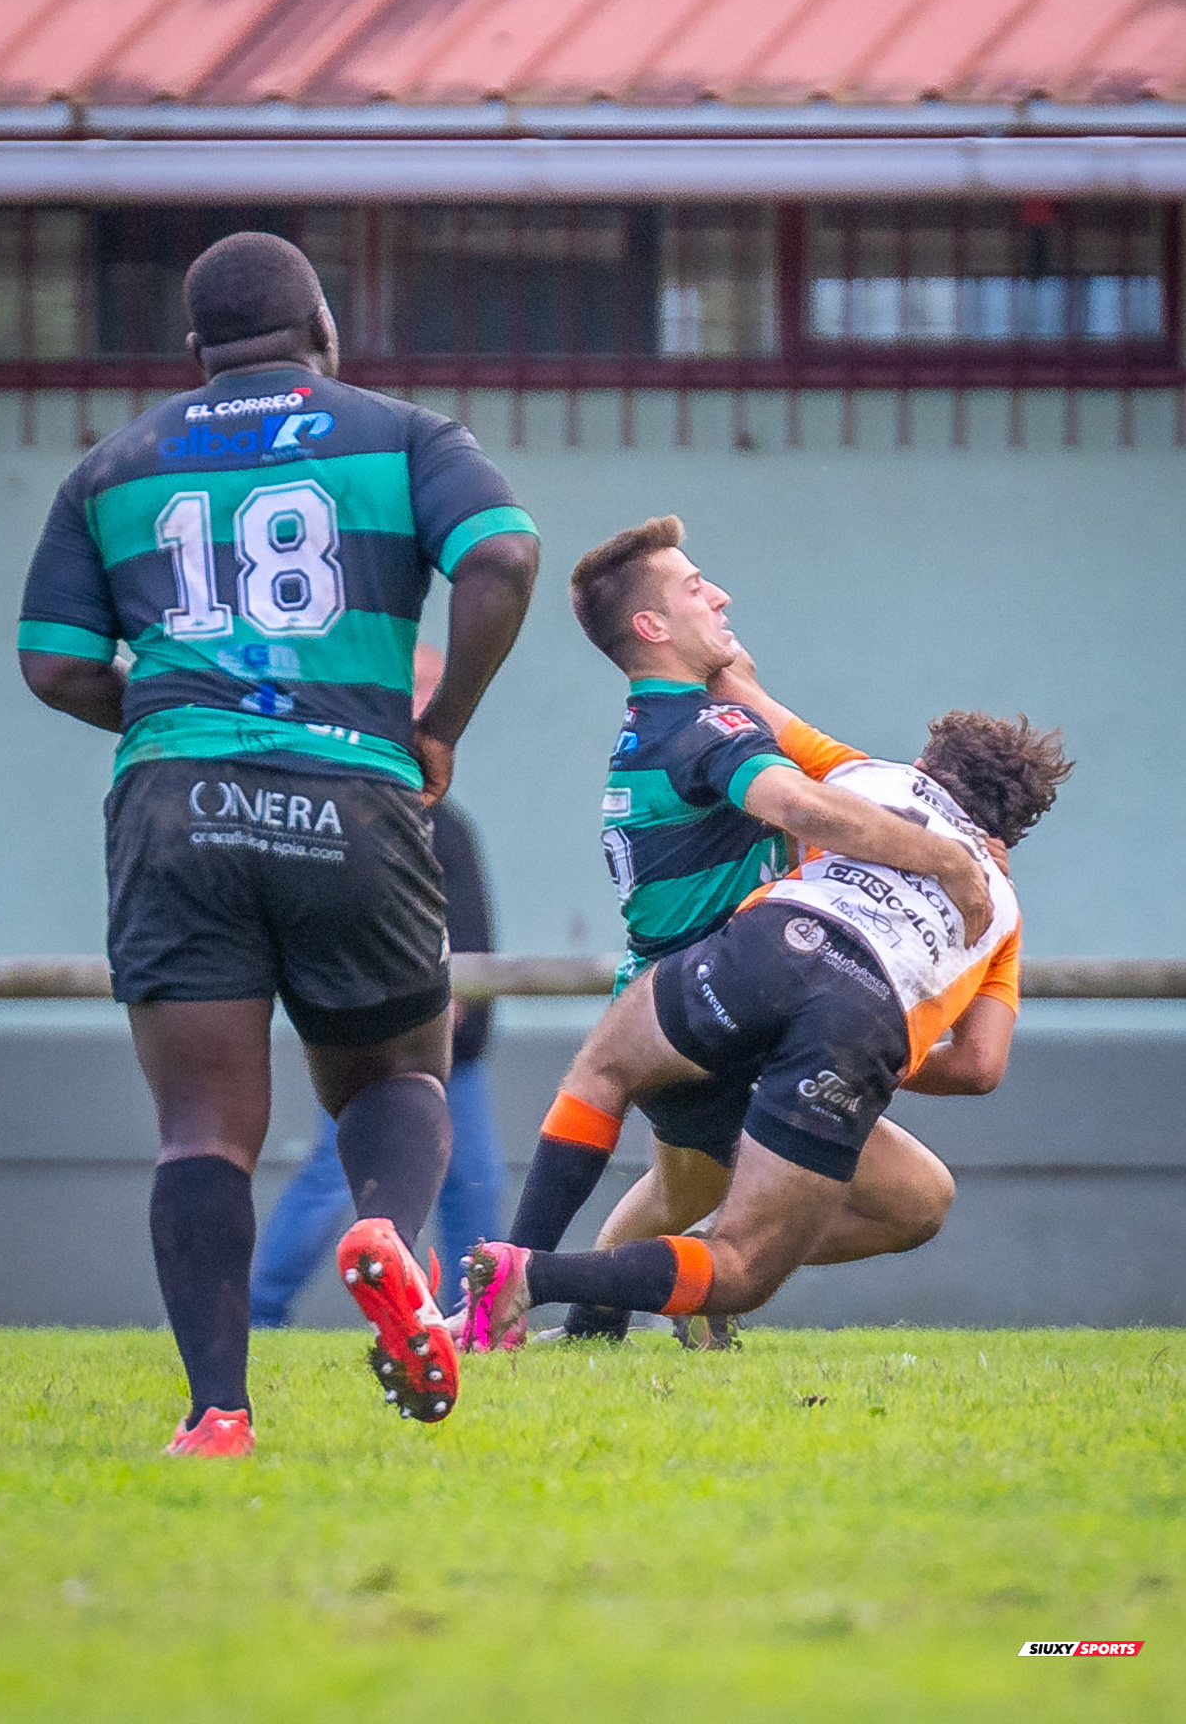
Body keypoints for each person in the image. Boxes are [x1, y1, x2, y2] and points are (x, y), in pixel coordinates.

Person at [18, 231, 539, 1454]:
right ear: (326, 333)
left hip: (173, 806)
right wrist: (437, 724)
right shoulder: (406, 435)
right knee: (401, 1076)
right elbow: (503, 556)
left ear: (194, 352)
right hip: (351, 788)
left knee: (202, 1125)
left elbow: (50, 661)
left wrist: (164, 709)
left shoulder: (112, 466)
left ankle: (217, 1413)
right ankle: (382, 1233)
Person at [490, 515, 995, 1349]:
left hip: (673, 1011)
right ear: (651, 628)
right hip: (725, 1017)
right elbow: (800, 805)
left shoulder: (662, 725)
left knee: (680, 1186)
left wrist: (744, 682)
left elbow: (782, 753)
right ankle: (626, 1286)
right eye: (695, 587)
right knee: (915, 1201)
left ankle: (585, 1320)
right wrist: (946, 858)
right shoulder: (704, 732)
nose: (719, 594)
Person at [462, 701, 1072, 1350]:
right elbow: (980, 1066)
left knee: (672, 1172)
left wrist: (696, 633)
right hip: (837, 1034)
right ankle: (627, 1281)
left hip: (731, 979)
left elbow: (742, 687)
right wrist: (882, 1062)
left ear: (923, 764)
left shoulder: (860, 774)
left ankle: (581, 1313)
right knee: (901, 1207)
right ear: (1007, 833)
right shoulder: (998, 906)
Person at [250, 643, 504, 1324]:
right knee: (335, 1182)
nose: (430, 703)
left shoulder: (441, 818)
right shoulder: (356, 808)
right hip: (383, 1045)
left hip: (463, 1059)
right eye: (415, 687)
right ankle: (256, 1313)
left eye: (433, 688)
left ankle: (475, 1325)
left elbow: (468, 932)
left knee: (474, 1194)